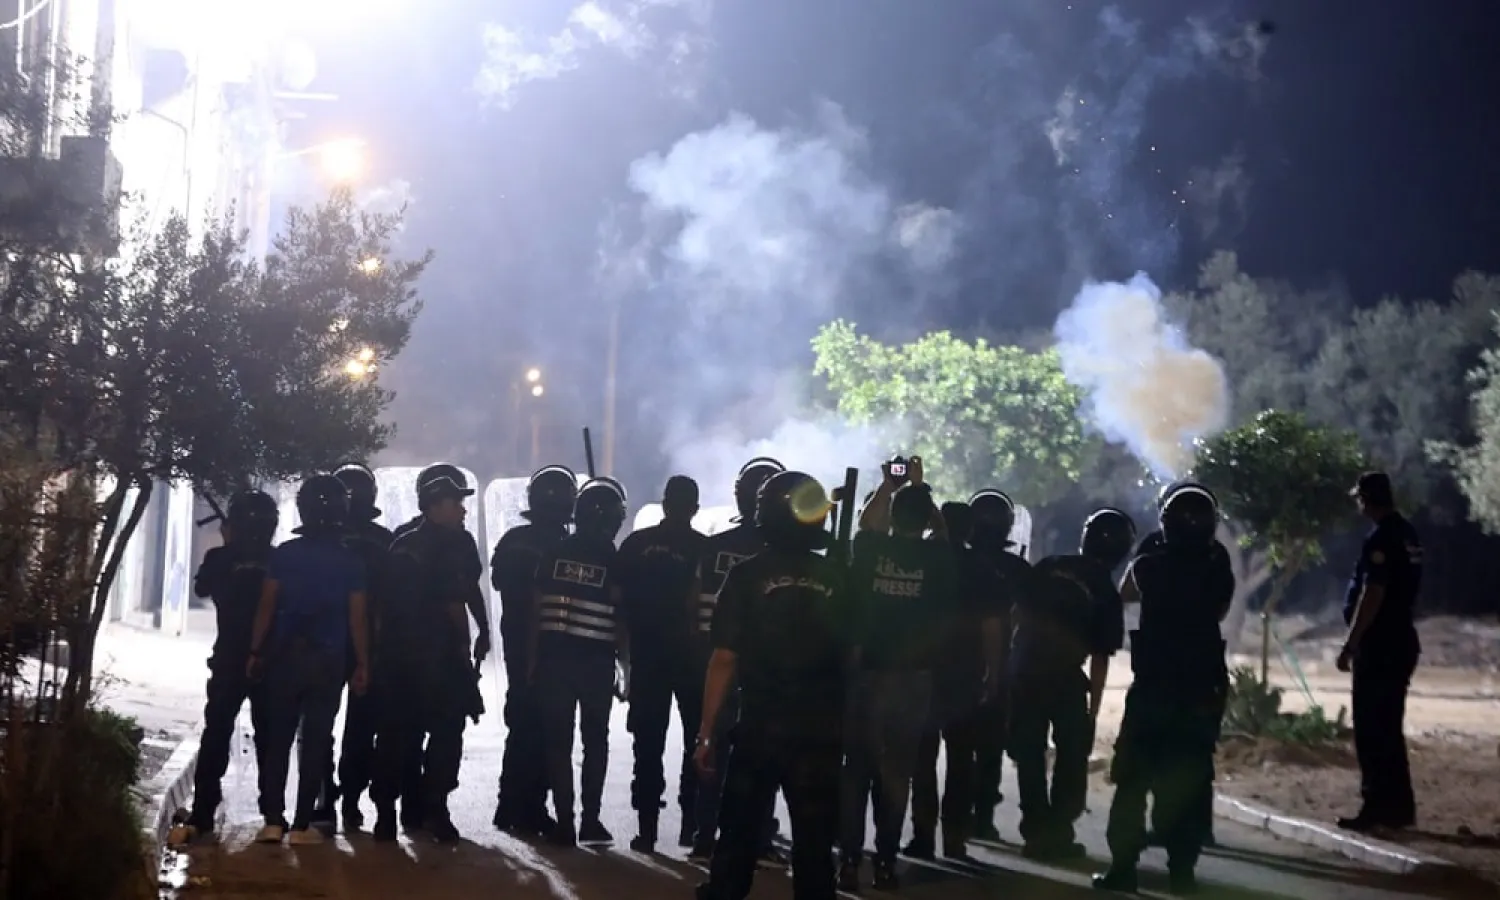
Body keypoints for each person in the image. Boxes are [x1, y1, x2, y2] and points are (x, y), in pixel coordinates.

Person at [693, 470, 852, 900]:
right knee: (816, 841)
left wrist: (706, 732)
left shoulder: (745, 577)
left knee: (740, 832)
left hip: (761, 727)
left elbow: (724, 659)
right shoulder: (841, 580)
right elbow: (856, 655)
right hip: (821, 730)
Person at [1095, 483, 1233, 895]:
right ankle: (1182, 874)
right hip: (1200, 690)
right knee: (1188, 783)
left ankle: (1123, 870)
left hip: (1154, 689)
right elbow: (1222, 608)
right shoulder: (1217, 565)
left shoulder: (1149, 564)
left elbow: (1125, 594)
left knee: (1133, 781)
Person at [838, 469, 957, 892]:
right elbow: (941, 532)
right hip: (914, 681)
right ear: (925, 521)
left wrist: (892, 483)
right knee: (896, 773)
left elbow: (867, 521)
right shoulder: (937, 558)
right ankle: (886, 862)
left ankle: (849, 861)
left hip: (868, 675)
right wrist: (921, 489)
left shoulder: (870, 549)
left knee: (856, 772)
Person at [246, 475, 370, 845]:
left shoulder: (284, 555)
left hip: (284, 658)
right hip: (329, 661)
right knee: (316, 741)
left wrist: (254, 651)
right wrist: (363, 663)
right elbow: (357, 618)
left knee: (278, 738)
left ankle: (272, 820)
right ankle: (302, 825)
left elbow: (266, 606)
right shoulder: (352, 562)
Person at [369, 463, 486, 843]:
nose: (463, 511)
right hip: (438, 658)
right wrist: (469, 647)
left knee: (397, 736)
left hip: (396, 658)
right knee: (446, 733)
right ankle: (433, 809)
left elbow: (380, 604)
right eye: (457, 503)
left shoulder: (400, 541)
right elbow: (458, 602)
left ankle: (389, 814)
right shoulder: (454, 545)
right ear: (435, 506)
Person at [1009, 507, 1131, 860]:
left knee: (1030, 753)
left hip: (1026, 670)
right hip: (1065, 679)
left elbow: (1018, 614)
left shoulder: (1048, 565)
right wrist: (1092, 711)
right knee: (1072, 755)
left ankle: (1034, 831)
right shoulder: (1105, 590)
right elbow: (1100, 656)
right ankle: (1059, 832)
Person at [689, 457, 788, 864]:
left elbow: (693, 606)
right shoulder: (781, 555)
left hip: (714, 662)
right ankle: (758, 839)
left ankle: (704, 835)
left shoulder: (714, 547)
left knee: (709, 746)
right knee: (760, 756)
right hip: (763, 673)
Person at [530, 477, 630, 847]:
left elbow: (536, 611)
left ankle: (564, 822)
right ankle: (590, 821)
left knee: (558, 743)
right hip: (596, 665)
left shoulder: (554, 554)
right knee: (595, 743)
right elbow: (621, 618)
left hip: (555, 662)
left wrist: (531, 662)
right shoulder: (615, 561)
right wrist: (626, 667)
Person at [177, 490, 279, 842]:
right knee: (270, 738)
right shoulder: (279, 560)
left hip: (229, 659)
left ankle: (203, 811)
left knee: (217, 731)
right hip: (270, 660)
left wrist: (226, 544)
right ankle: (273, 814)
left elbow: (202, 589)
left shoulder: (220, 557)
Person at [908, 500, 1006, 862]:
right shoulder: (982, 569)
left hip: (922, 673)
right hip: (964, 676)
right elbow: (992, 628)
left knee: (922, 760)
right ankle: (955, 840)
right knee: (962, 762)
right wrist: (993, 675)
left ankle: (922, 837)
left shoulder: (921, 562)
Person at [617, 476, 709, 853]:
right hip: (692, 659)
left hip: (647, 656)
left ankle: (647, 830)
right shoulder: (705, 549)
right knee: (696, 743)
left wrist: (622, 658)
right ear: (694, 509)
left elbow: (618, 603)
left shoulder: (635, 545)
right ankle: (692, 827)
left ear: (664, 503)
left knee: (647, 744)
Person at [491, 464, 578, 836]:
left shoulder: (513, 540)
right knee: (545, 729)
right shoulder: (566, 545)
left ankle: (509, 804)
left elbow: (497, 582)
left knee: (522, 721)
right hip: (553, 643)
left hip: (515, 639)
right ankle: (529, 809)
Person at [1337, 471, 1423, 833]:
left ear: (1367, 499)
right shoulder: (1407, 533)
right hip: (1402, 639)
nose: (1357, 503)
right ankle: (1400, 807)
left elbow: (1373, 594)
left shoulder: (1381, 538)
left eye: (1359, 498)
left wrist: (1351, 643)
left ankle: (1376, 806)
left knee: (1372, 729)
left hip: (1380, 644)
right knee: (1389, 727)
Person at [321, 463, 395, 832]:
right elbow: (387, 600)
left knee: (320, 720)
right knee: (362, 725)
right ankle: (350, 800)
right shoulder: (383, 541)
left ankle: (323, 797)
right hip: (368, 641)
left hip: (325, 639)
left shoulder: (320, 540)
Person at [967, 487, 1032, 841]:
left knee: (961, 745)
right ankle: (981, 817)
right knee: (989, 747)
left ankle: (953, 816)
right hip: (1001, 666)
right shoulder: (1017, 569)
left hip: (957, 665)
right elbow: (1027, 620)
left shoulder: (958, 560)